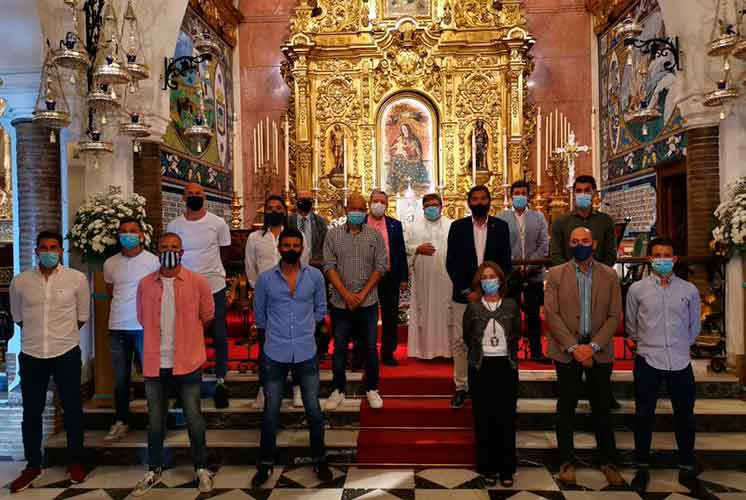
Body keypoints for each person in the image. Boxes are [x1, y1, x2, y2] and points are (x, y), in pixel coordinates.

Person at [626, 237, 716, 499]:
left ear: (675, 259)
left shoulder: (688, 290)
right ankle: (642, 467)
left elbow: (693, 327)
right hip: (648, 358)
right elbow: (631, 325)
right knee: (644, 415)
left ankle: (687, 467)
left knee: (685, 416)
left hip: (679, 360)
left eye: (667, 255)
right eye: (657, 255)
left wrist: (679, 346)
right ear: (649, 259)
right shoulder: (637, 290)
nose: (662, 260)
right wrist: (648, 344)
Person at [132, 233, 215, 496]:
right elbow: (141, 317)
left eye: (174, 248)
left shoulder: (197, 282)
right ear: (157, 250)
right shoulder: (145, 284)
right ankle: (153, 468)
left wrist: (189, 337)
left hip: (187, 361)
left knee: (193, 417)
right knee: (156, 419)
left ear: (182, 251)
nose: (170, 251)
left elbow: (208, 316)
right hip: (156, 362)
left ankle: (201, 467)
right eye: (165, 247)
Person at [8, 231, 90, 492]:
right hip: (32, 354)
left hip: (66, 351)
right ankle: (33, 465)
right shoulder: (20, 282)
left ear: (61, 251)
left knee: (73, 410)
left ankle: (75, 461)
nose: (49, 251)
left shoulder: (76, 280)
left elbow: (82, 316)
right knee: (31, 412)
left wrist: (60, 334)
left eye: (53, 247)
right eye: (43, 247)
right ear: (36, 251)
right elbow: (18, 317)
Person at [251, 228, 332, 487]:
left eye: (296, 245)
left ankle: (319, 460)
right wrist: (275, 334)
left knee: (313, 410)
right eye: (286, 245)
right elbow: (260, 315)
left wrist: (307, 327)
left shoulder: (315, 277)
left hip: (306, 351)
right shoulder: (265, 280)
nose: (291, 249)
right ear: (279, 248)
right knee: (271, 412)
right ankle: (265, 464)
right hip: (275, 352)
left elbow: (321, 308)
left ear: (302, 248)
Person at [544, 226, 624, 487]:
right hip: (566, 352)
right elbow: (552, 314)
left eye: (585, 240)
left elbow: (614, 315)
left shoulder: (609, 275)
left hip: (599, 352)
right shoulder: (556, 274)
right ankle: (566, 461)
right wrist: (574, 348)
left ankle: (608, 461)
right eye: (575, 241)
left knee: (601, 407)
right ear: (569, 244)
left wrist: (594, 347)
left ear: (595, 243)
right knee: (565, 407)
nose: (580, 244)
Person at [445, 185, 512, 409]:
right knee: (461, 342)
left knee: (491, 340)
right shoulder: (458, 227)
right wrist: (468, 291)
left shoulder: (500, 227)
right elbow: (451, 263)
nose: (479, 202)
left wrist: (490, 291)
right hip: (463, 296)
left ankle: (485, 386)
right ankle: (461, 387)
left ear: (489, 201)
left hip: (493, 295)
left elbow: (506, 262)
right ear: (469, 202)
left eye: (483, 198)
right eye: (475, 199)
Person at [166, 182, 232, 408]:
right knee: (185, 336)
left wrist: (212, 275)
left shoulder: (218, 223)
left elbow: (225, 252)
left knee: (219, 334)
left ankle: (221, 380)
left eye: (199, 194)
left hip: (214, 286)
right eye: (191, 194)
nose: (195, 197)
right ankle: (185, 384)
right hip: (183, 287)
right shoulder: (174, 225)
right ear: (184, 198)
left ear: (204, 197)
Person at [323, 192, 387, 411]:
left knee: (370, 347)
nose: (357, 213)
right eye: (353, 209)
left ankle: (372, 388)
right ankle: (338, 389)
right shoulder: (332, 235)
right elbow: (329, 266)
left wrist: (362, 294)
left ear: (366, 210)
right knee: (339, 347)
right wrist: (346, 294)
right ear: (345, 210)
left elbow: (380, 267)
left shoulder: (375, 236)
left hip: (367, 303)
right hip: (341, 303)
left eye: (361, 209)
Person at [462, 261, 521, 487]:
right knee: (484, 418)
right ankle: (487, 467)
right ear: (479, 282)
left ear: (500, 280)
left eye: (492, 276)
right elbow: (467, 336)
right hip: (481, 366)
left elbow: (516, 332)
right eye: (484, 277)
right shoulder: (473, 308)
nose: (489, 280)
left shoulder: (511, 305)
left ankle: (506, 468)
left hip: (506, 367)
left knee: (506, 418)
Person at [103, 218, 160, 442]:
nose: (128, 235)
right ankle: (121, 421)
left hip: (143, 327)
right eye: (124, 232)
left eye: (133, 231)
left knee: (151, 377)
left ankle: (155, 420)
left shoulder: (153, 262)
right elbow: (111, 293)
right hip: (117, 326)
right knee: (120, 379)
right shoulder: (110, 263)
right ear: (118, 236)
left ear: (142, 235)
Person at [246, 195, 303, 409]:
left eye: (279, 207)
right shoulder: (254, 238)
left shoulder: (296, 236)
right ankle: (263, 389)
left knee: (295, 343)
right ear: (265, 211)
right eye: (270, 207)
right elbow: (250, 268)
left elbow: (302, 265)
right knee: (266, 345)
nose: (274, 211)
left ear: (285, 211)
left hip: (293, 297)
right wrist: (259, 291)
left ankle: (297, 388)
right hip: (267, 299)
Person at [498, 180, 550, 363]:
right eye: (516, 193)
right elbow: (500, 246)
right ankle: (511, 352)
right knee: (509, 314)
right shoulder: (502, 217)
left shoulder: (538, 217)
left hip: (533, 274)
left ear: (527, 196)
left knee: (534, 315)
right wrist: (514, 266)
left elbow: (544, 244)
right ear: (511, 196)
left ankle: (536, 352)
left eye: (523, 193)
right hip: (510, 275)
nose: (520, 196)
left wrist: (529, 265)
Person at [404, 193, 454, 359]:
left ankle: (448, 351)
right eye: (428, 205)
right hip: (424, 280)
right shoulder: (413, 227)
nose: (432, 208)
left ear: (441, 206)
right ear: (423, 208)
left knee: (447, 311)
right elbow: (405, 249)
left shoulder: (451, 225)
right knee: (424, 312)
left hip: (447, 279)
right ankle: (425, 351)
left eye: (435, 204)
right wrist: (417, 249)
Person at [365, 189, 408, 366]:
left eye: (382, 202)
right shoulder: (361, 223)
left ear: (387, 205)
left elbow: (400, 252)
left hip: (389, 276)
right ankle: (365, 352)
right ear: (369, 203)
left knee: (390, 316)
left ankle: (388, 352)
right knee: (367, 316)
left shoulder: (394, 225)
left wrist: (403, 277)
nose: (379, 205)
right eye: (376, 201)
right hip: (365, 277)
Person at [287, 190, 330, 359]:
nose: (304, 201)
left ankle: (318, 348)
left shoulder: (321, 222)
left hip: (315, 271)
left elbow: (326, 246)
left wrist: (316, 262)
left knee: (316, 310)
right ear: (296, 201)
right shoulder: (288, 221)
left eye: (308, 199)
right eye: (301, 199)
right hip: (292, 270)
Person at [550, 175, 617, 267]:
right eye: (579, 191)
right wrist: (572, 273)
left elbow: (611, 255)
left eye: (587, 190)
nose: (582, 194)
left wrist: (597, 273)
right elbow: (556, 254)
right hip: (569, 277)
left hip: (598, 277)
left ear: (594, 193)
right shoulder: (560, 222)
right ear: (574, 194)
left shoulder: (605, 221)